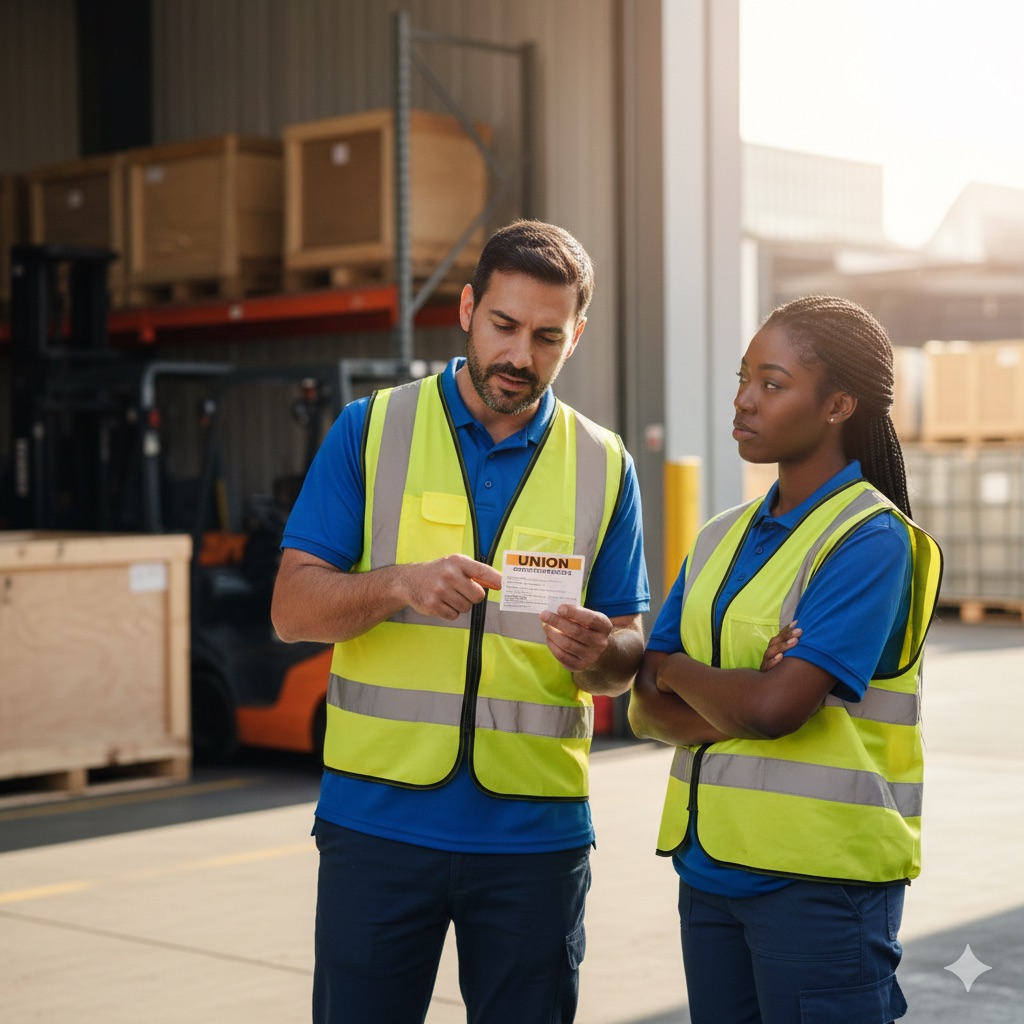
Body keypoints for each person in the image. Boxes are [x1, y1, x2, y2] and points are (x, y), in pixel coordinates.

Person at [271, 219, 650, 1023]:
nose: (520, 355)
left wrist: (601, 651)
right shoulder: (371, 430)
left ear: (575, 336)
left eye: (547, 337)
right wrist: (397, 584)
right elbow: (292, 609)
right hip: (377, 831)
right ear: (469, 308)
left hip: (535, 840)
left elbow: (626, 653)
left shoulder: (605, 463)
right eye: (504, 326)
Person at [629, 295, 942, 1024]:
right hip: (709, 872)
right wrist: (708, 684)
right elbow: (645, 705)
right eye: (744, 378)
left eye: (772, 384)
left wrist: (677, 671)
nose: (743, 401)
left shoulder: (870, 540)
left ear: (837, 404)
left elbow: (774, 710)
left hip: (819, 887)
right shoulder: (718, 537)